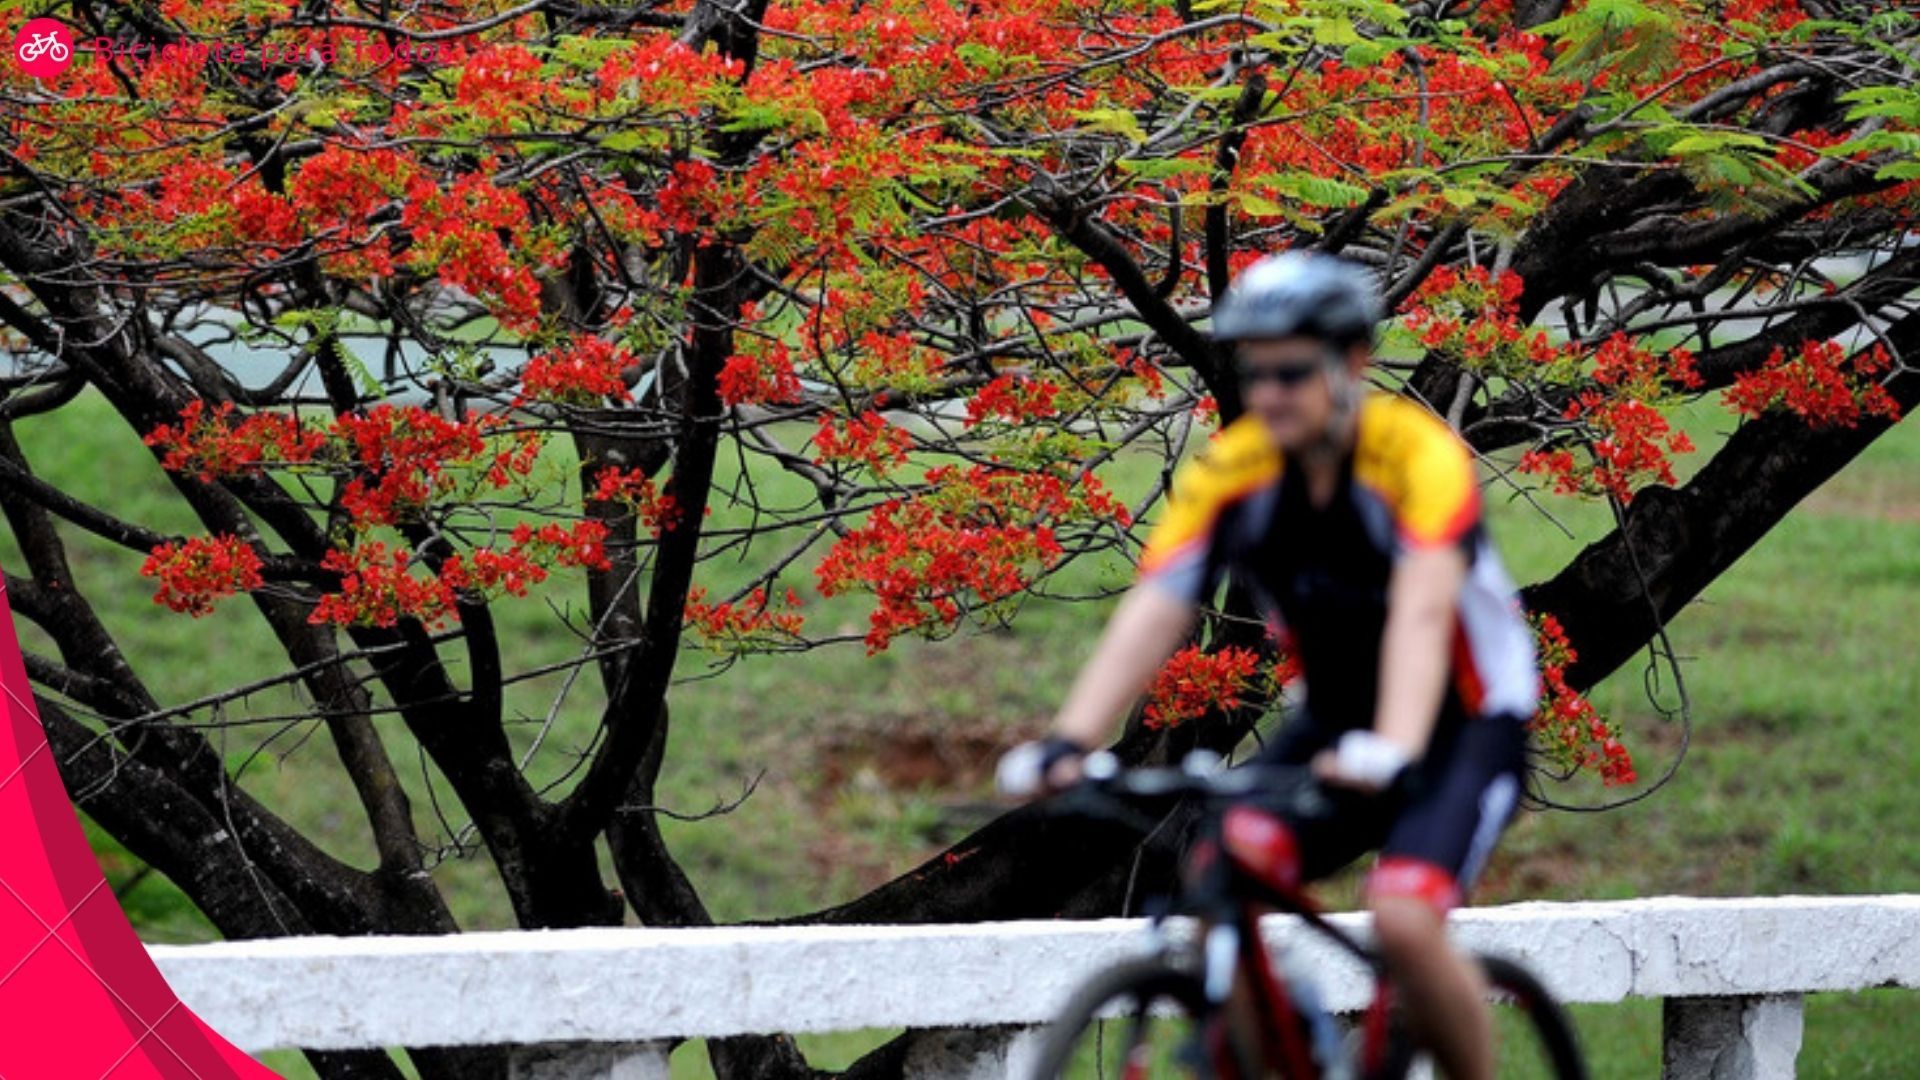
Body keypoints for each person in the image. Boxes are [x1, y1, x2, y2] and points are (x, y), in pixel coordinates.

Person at [998, 251, 1540, 1080]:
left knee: (1401, 917)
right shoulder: (1236, 465)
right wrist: (1069, 739)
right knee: (1224, 871)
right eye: (1255, 373)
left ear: (1351, 362)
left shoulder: (1415, 457)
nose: (1270, 394)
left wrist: (1392, 746)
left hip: (1466, 719)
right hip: (1335, 718)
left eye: (1291, 371)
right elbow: (1159, 601)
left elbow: (1426, 611)